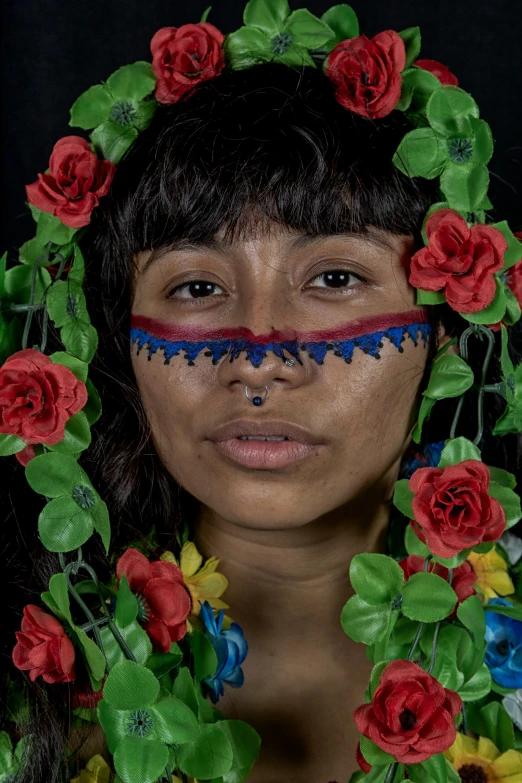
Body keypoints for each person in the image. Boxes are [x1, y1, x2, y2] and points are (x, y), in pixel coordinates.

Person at [1, 7, 521, 783]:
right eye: (198, 284)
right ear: (116, 338)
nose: (260, 356)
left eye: (335, 278)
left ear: (446, 324)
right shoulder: (30, 672)